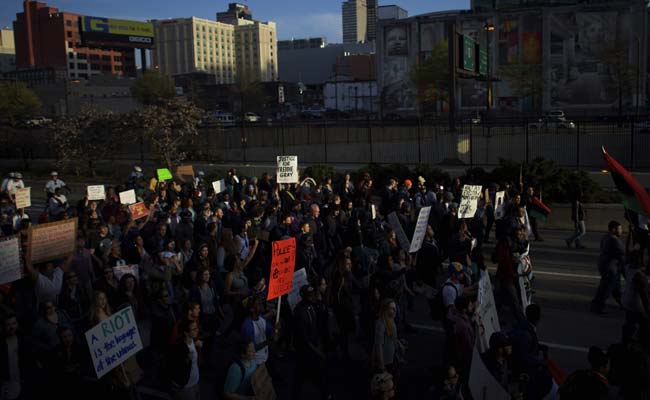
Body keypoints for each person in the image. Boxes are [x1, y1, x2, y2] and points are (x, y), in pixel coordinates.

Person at [292, 285, 328, 400]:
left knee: (315, 373)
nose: (313, 296)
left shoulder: (313, 306)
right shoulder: (299, 312)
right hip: (305, 350)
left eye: (313, 294)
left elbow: (318, 324)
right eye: (310, 295)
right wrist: (318, 352)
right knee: (302, 374)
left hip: (314, 346)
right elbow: (304, 338)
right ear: (303, 297)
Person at [591, 221, 625, 314]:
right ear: (613, 229)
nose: (622, 231)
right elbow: (623, 254)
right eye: (620, 229)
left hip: (605, 265)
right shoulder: (614, 240)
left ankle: (622, 303)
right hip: (611, 268)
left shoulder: (605, 237)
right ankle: (597, 306)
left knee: (616, 287)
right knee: (606, 288)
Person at [168, 319, 202, 400]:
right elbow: (175, 368)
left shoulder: (193, 341)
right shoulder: (180, 349)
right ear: (186, 333)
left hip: (196, 381)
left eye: (197, 327)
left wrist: (198, 347)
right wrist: (187, 360)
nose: (197, 330)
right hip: (186, 387)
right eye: (194, 329)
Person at [241, 296, 275, 366]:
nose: (262, 306)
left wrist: (275, 329)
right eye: (258, 304)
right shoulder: (247, 326)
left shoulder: (261, 318)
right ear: (252, 309)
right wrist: (268, 342)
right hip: (256, 361)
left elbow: (270, 331)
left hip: (266, 354)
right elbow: (251, 349)